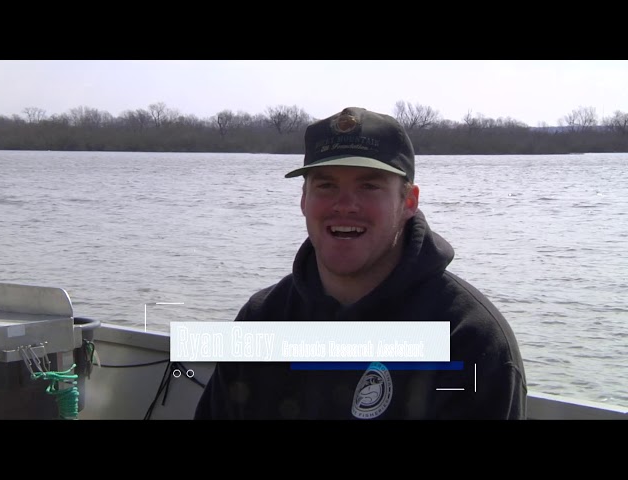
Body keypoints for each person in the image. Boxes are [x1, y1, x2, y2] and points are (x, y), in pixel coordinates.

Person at [194, 106, 527, 420]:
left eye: (369, 186)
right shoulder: (262, 320)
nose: (345, 205)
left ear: (408, 202)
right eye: (326, 185)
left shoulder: (465, 341)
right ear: (303, 200)